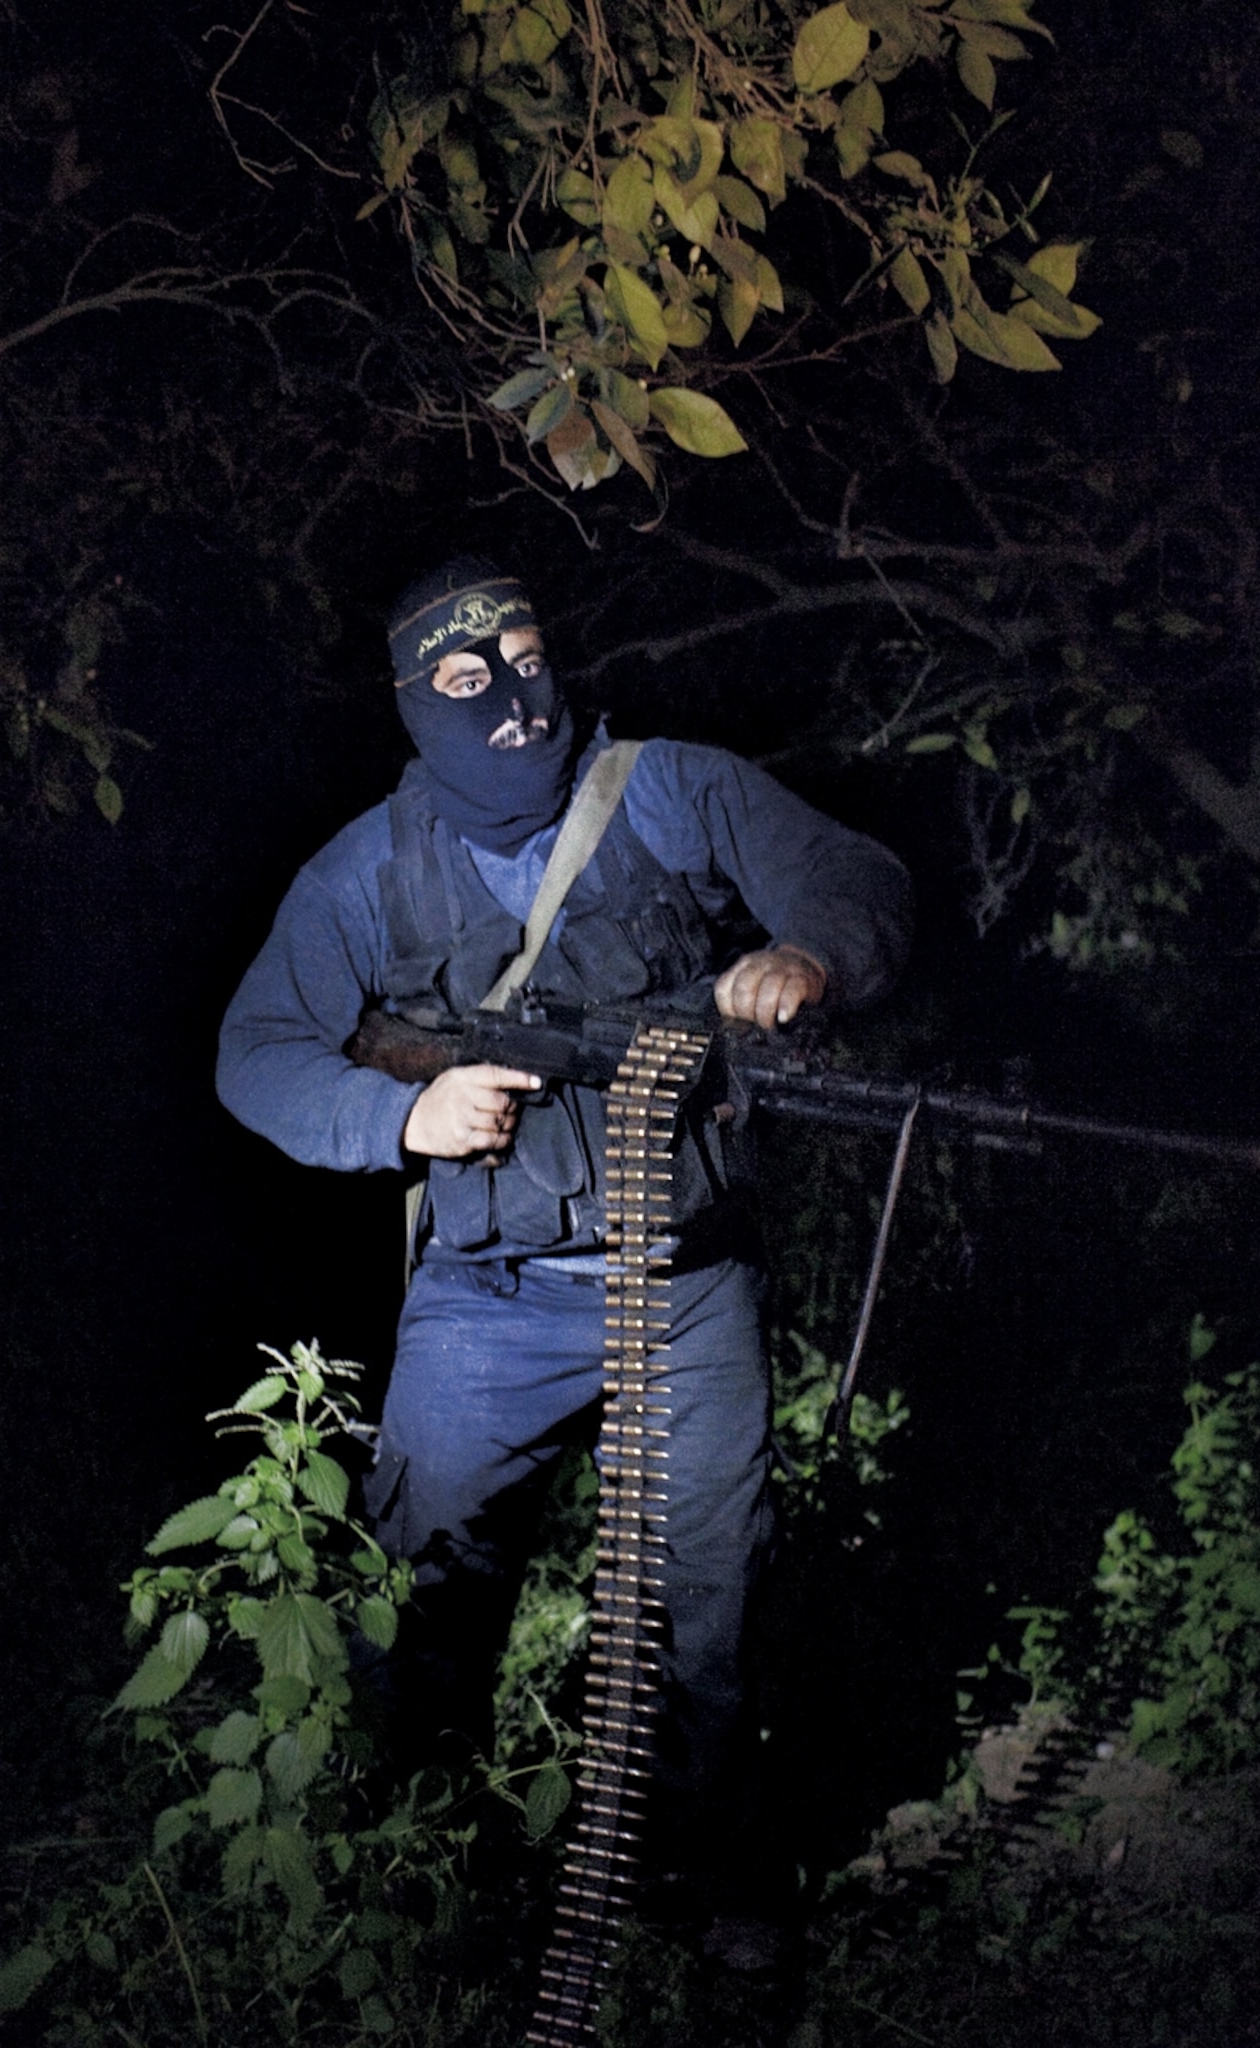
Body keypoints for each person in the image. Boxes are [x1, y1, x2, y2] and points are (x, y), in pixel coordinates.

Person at [213, 554, 912, 1919]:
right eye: (466, 683)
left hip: (688, 1286)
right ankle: (414, 1874)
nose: (511, 703)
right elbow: (254, 1055)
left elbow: (851, 874)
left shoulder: (667, 789)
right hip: (492, 1296)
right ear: (418, 704)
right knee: (421, 1590)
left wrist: (808, 958)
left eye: (527, 662)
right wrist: (400, 1118)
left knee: (716, 1601)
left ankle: (709, 1871)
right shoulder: (366, 869)